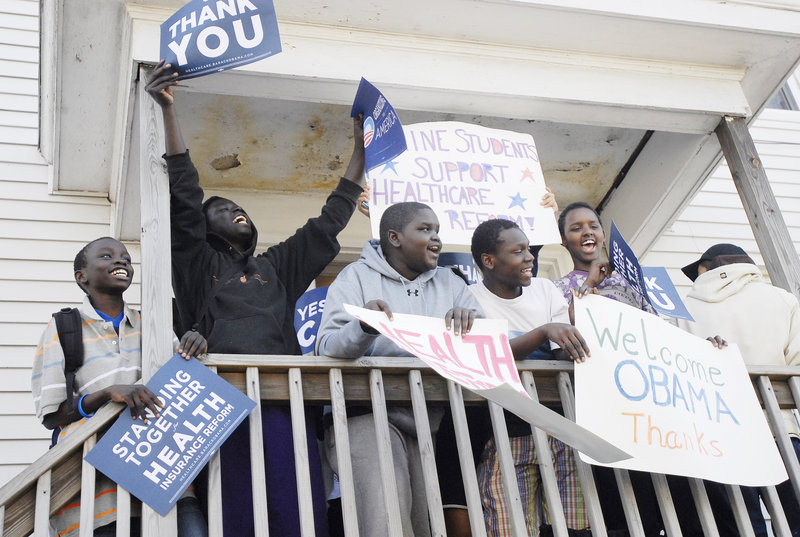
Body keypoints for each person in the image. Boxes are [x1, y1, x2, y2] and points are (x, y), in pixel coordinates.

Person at [145, 61, 366, 537]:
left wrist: (360, 148)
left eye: (239, 207)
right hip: (220, 401)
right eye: (223, 210)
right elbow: (185, 195)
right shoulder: (198, 264)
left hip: (284, 399)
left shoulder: (275, 266)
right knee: (239, 513)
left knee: (299, 509)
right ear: (206, 230)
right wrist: (168, 108)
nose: (236, 211)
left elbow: (329, 221)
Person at [554, 202, 733, 537]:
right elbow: (566, 329)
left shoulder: (633, 283)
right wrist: (589, 284)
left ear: (603, 234)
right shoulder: (558, 288)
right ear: (564, 241)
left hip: (655, 409)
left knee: (689, 504)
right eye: (575, 228)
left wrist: (703, 347)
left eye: (592, 225)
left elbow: (660, 335)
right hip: (608, 413)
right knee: (634, 512)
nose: (586, 232)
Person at [316, 201, 482, 537]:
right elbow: (328, 347)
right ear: (394, 237)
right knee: (386, 517)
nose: (436, 238)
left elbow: (487, 345)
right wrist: (364, 325)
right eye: (424, 229)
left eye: (437, 230)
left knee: (427, 524)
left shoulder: (451, 282)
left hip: (433, 420)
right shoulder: (355, 276)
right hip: (366, 413)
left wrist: (473, 325)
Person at [31, 237, 208, 537]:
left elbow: (186, 382)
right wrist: (107, 394)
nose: (121, 260)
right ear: (82, 276)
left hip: (164, 476)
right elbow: (52, 416)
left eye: (125, 256)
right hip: (94, 496)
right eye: (106, 256)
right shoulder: (63, 327)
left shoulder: (152, 324)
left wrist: (196, 346)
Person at [438, 218, 592, 537]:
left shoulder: (546, 290)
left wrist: (580, 333)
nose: (529, 257)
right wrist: (543, 332)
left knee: (574, 525)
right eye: (518, 251)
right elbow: (489, 356)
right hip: (505, 432)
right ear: (489, 261)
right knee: (510, 524)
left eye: (528, 249)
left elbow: (562, 353)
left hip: (560, 428)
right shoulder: (468, 299)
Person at [679, 243, 800, 537]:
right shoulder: (782, 300)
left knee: (744, 527)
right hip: (780, 431)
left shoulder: (686, 309)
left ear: (704, 269)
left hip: (721, 437)